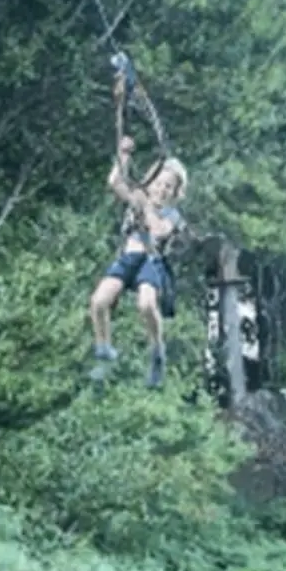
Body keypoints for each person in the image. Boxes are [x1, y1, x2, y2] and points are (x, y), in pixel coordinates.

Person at [88, 136, 187, 387]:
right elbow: (115, 182)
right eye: (159, 184)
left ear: (175, 193)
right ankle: (104, 349)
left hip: (151, 261)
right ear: (150, 183)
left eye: (168, 187)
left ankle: (157, 351)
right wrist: (123, 155)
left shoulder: (172, 215)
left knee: (146, 304)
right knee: (99, 302)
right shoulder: (137, 199)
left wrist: (146, 208)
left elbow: (159, 231)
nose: (162, 190)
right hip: (129, 256)